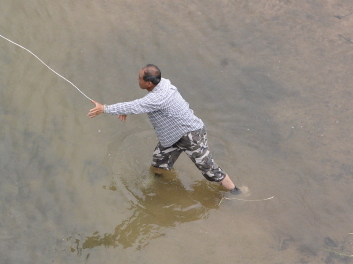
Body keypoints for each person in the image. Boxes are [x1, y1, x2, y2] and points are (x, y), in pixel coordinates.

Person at [87, 64, 244, 194]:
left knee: (209, 170)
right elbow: (139, 105)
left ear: (149, 83)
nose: (137, 80)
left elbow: (138, 105)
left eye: (140, 78)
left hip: (191, 135)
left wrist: (104, 108)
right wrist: (127, 110)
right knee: (159, 161)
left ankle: (235, 191)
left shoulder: (157, 97)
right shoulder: (164, 83)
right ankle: (157, 180)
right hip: (172, 136)